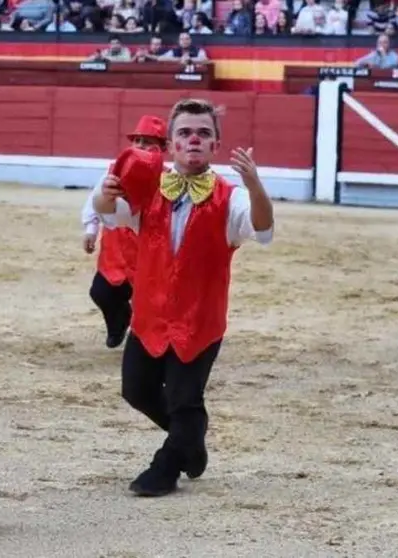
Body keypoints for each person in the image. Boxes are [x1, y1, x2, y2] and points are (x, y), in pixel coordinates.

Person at [92, 98, 275, 497]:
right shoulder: (149, 186)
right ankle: (189, 441)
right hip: (149, 315)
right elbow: (110, 212)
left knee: (183, 399)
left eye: (203, 133)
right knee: (136, 391)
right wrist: (105, 194)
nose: (194, 139)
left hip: (200, 320)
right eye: (185, 133)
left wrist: (255, 184)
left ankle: (168, 464)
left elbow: (262, 228)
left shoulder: (232, 197)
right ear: (172, 145)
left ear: (215, 145)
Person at [81, 115, 166, 348]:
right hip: (116, 253)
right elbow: (96, 198)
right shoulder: (116, 170)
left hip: (149, 255)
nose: (140, 146)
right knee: (101, 292)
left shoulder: (169, 178)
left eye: (148, 142)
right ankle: (118, 324)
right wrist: (90, 228)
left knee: (152, 305)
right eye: (137, 140)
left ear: (162, 148)